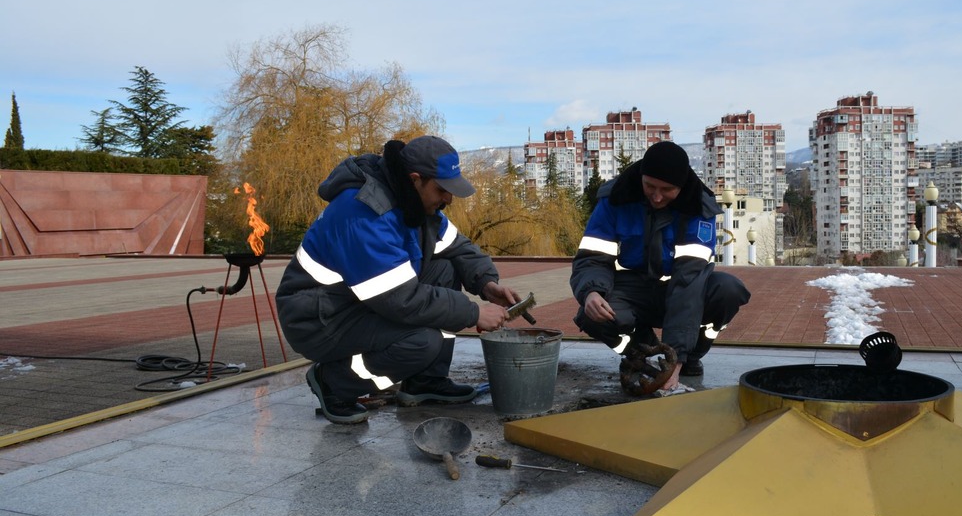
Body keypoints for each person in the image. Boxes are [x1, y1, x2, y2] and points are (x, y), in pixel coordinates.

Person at [276, 135, 521, 424]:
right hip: (318, 318)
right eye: (442, 189)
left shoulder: (412, 202)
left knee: (445, 268)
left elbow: (458, 246)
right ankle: (334, 382)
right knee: (420, 342)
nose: (448, 199)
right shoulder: (364, 213)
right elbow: (400, 299)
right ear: (416, 179)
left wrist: (486, 284)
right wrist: (474, 312)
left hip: (352, 302)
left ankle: (425, 382)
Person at [570, 140, 751, 394]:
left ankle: (691, 355)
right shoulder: (614, 200)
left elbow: (687, 283)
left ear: (682, 185)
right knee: (591, 313)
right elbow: (592, 258)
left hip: (685, 292)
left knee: (728, 289)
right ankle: (641, 352)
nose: (656, 196)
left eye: (667, 189)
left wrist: (674, 359)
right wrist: (591, 291)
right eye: (650, 186)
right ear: (641, 176)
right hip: (635, 290)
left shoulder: (700, 209)